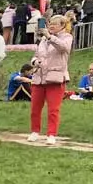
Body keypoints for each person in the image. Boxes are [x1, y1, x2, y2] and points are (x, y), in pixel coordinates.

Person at [28, 14, 72, 145]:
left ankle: (51, 134)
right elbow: (36, 55)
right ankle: (34, 131)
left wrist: (49, 37)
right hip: (39, 76)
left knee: (53, 109)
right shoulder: (43, 39)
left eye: (55, 24)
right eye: (50, 23)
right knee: (35, 108)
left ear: (62, 26)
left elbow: (63, 48)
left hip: (55, 78)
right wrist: (35, 62)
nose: (51, 26)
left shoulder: (67, 37)